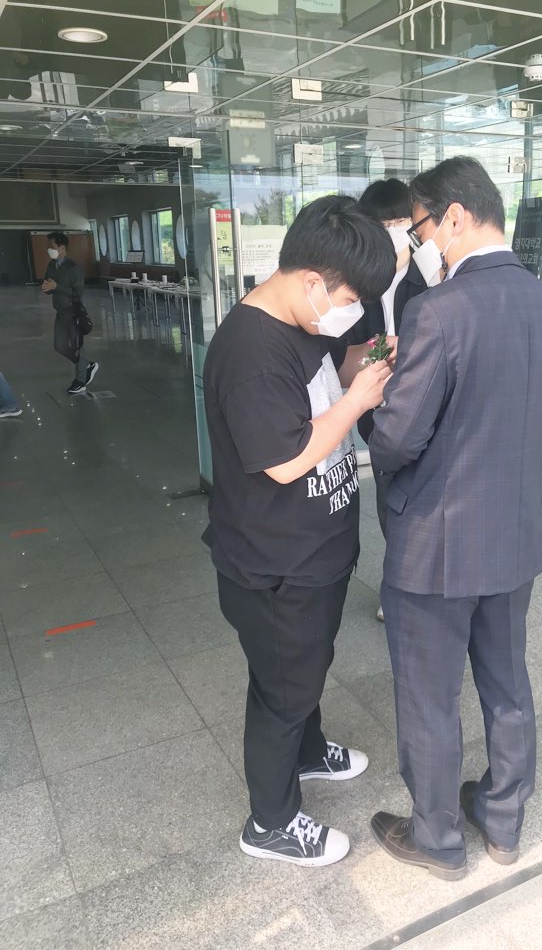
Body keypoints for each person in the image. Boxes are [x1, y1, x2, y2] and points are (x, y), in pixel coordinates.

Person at [368, 157, 542, 881]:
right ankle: (502, 819)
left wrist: (374, 415)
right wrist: (518, 498)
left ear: (454, 216)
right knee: (506, 680)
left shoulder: (437, 311)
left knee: (429, 695)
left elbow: (397, 439)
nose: (421, 242)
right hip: (514, 535)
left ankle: (437, 838)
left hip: (434, 545)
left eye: (420, 228)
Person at [203, 195, 396, 868]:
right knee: (282, 691)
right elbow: (285, 460)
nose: (350, 311)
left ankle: (309, 752)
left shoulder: (302, 320)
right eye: (349, 299)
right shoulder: (251, 352)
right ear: (313, 281)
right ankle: (271, 822)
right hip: (274, 564)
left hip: (313, 554)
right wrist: (360, 400)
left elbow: (330, 374)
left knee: (306, 670)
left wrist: (372, 357)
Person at [344, 179, 427, 622]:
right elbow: (349, 350)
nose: (394, 230)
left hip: (425, 408)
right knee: (389, 504)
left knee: (423, 503)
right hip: (379, 413)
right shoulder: (362, 284)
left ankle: (422, 586)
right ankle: (396, 584)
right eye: (384, 223)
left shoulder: (430, 274)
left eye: (400, 221)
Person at [42, 232, 99, 395]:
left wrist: (57, 287)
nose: (49, 249)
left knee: (77, 347)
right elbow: (48, 285)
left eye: (51, 246)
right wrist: (47, 288)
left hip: (73, 311)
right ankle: (87, 365)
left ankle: (81, 381)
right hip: (60, 311)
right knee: (59, 346)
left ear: (61, 247)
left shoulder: (73, 268)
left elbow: (78, 294)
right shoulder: (51, 265)